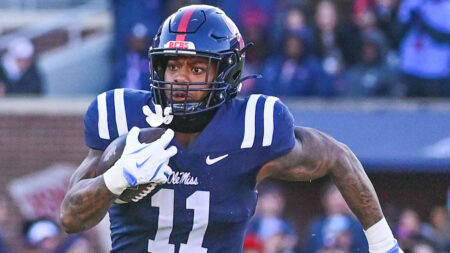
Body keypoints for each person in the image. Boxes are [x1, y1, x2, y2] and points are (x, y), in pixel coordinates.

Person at [60, 5, 403, 253]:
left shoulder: (252, 128)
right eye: (173, 65)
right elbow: (70, 217)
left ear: (226, 74)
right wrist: (115, 179)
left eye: (197, 69)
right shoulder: (124, 118)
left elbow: (336, 156)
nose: (180, 78)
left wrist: (384, 244)